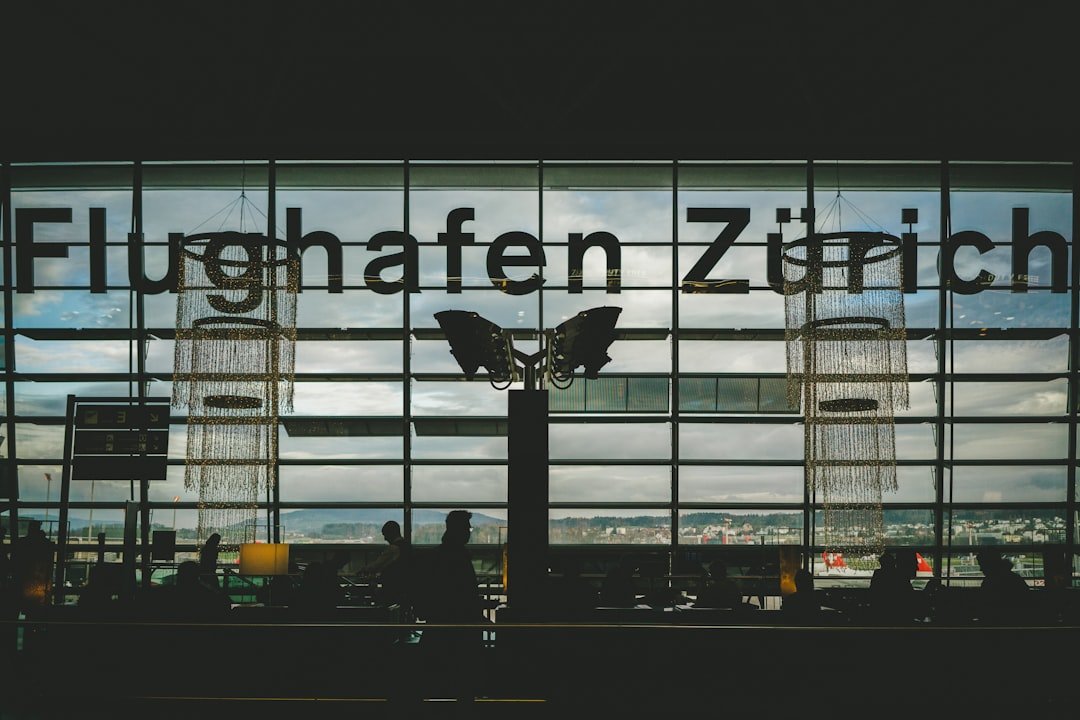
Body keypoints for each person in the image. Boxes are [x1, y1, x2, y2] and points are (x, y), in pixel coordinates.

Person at [418, 510, 484, 703]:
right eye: (468, 527)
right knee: (462, 680)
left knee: (436, 678)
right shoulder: (460, 557)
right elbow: (465, 593)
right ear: (461, 530)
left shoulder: (437, 555)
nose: (469, 531)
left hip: (439, 624)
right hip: (460, 627)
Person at [362, 521, 413, 616]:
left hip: (393, 588)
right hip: (406, 587)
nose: (385, 538)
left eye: (385, 535)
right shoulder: (407, 546)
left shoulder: (393, 548)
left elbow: (376, 565)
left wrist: (363, 570)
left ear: (391, 533)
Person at [975, 549, 1031, 623]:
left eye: (982, 565)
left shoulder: (990, 582)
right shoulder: (1014, 578)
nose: (981, 569)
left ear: (989, 564)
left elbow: (987, 608)